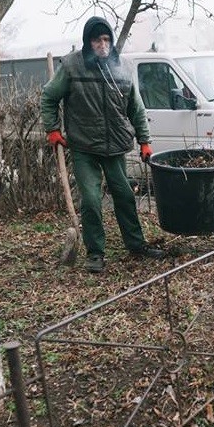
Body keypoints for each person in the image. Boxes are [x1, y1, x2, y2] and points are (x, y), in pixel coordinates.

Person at [41, 16, 165, 272]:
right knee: (91, 200)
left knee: (124, 195)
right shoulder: (73, 66)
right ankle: (95, 252)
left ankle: (136, 244)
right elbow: (49, 97)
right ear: (88, 42)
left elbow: (136, 107)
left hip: (116, 144)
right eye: (97, 39)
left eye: (106, 38)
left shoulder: (123, 67)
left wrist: (145, 140)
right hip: (84, 145)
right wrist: (52, 129)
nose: (102, 44)